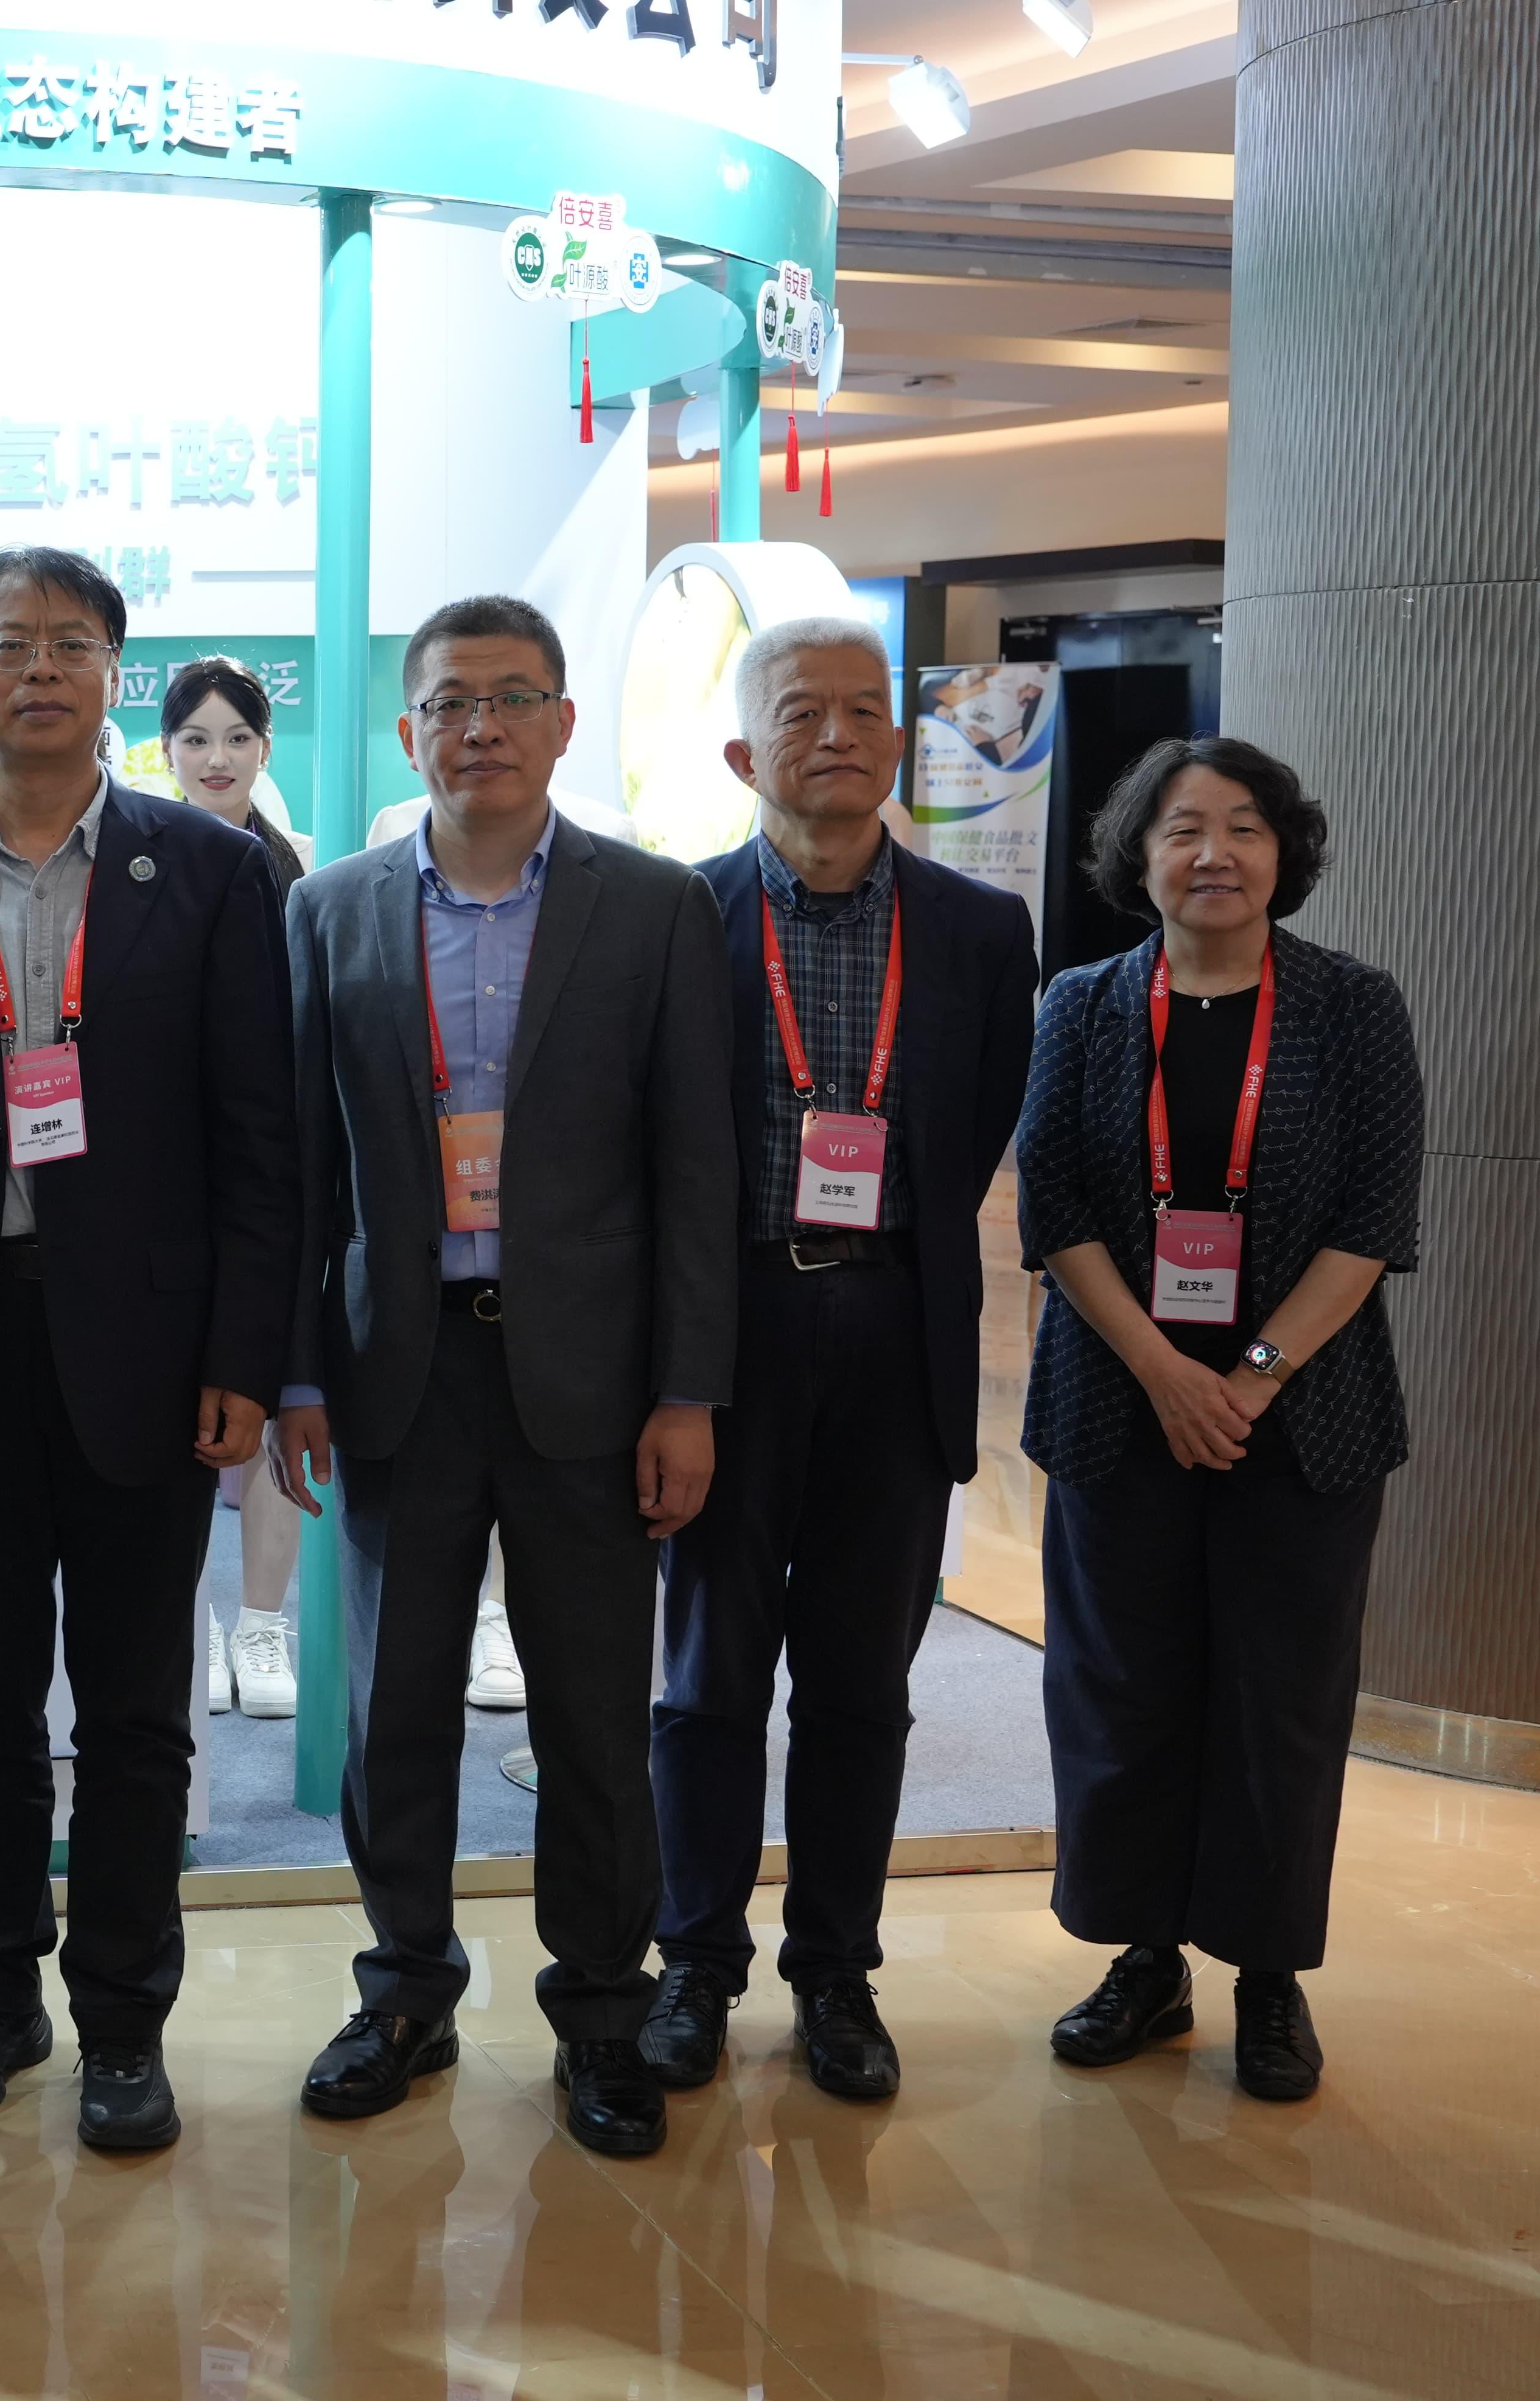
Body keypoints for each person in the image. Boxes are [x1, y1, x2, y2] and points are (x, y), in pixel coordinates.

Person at [0, 547, 299, 2154]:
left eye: (73, 643)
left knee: (139, 1714)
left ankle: (125, 2020)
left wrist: (245, 1352)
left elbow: (261, 1137)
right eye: (9, 641)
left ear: (114, 677)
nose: (41, 667)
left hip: (153, 1359)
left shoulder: (212, 872)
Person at [271, 594, 735, 2161]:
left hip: (593, 1383)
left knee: (595, 1713)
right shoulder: (329, 909)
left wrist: (688, 1390)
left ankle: (602, 2009)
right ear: (411, 729)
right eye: (451, 701)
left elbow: (696, 1166)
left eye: (514, 697)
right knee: (393, 1707)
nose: (481, 726)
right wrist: (295, 1373)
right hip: (397, 1371)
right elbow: (302, 1166)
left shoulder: (653, 907)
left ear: (562, 724)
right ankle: (406, 1988)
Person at [639, 619, 1037, 2101]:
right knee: (707, 1678)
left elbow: (976, 1125)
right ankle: (695, 1959)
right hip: (729, 1327)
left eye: (867, 711)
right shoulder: (676, 915)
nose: (841, 736)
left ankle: (835, 1970)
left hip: (893, 1326)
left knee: (864, 1680)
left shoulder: (980, 930)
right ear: (744, 751)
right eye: (804, 712)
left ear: (901, 742)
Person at [1013, 736, 1419, 2105]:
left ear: (1283, 853)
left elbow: (1374, 1216)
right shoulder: (1081, 1004)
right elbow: (1054, 1203)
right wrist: (1163, 1372)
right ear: (1139, 855)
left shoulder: (1353, 1006)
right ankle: (1143, 1958)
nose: (1214, 853)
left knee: (1279, 1700)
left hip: (1302, 1417)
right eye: (1182, 827)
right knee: (1121, 1687)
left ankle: (1266, 1974)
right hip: (1117, 1402)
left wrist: (1247, 1374)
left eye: (1244, 826)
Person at [153, 656, 312, 1720]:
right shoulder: (136, 859)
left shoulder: (298, 871)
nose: (217, 758)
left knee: (269, 1390)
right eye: (196, 739)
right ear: (166, 752)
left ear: (264, 748)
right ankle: (198, 1623)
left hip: (270, 1178)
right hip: (167, 1185)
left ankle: (262, 1623)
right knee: (170, 1409)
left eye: (237, 738)